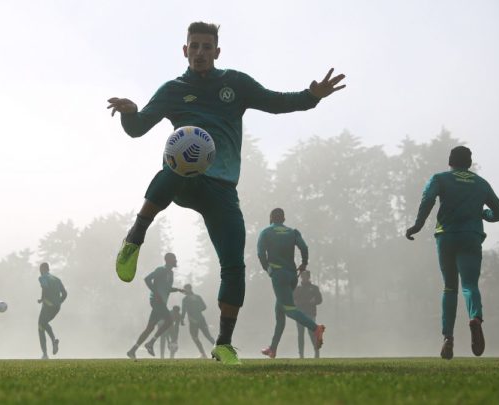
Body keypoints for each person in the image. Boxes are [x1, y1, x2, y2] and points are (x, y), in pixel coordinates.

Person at [108, 21, 345, 365]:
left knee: (234, 264)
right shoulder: (172, 90)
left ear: (217, 52)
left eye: (207, 47)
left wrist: (312, 97)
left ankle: (223, 344)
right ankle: (135, 237)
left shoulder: (235, 83)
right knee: (173, 167)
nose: (201, 52)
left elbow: (276, 102)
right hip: (187, 179)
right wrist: (129, 115)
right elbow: (139, 127)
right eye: (195, 46)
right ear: (184, 50)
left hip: (222, 189)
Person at [406, 146, 499, 360]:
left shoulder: (440, 178)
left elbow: (428, 199)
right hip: (471, 236)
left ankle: (448, 339)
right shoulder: (481, 183)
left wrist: (417, 225)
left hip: (446, 236)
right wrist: (484, 214)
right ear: (469, 163)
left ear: (450, 161)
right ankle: (476, 319)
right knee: (470, 284)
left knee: (450, 287)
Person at [257, 208, 325, 359]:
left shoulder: (266, 232)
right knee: (280, 310)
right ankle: (272, 349)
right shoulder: (293, 232)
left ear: (271, 218)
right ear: (284, 218)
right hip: (292, 276)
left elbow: (260, 253)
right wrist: (304, 264)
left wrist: (267, 268)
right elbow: (304, 247)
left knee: (288, 309)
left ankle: (316, 328)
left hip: (278, 275)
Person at [127, 253, 184, 360]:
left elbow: (167, 288)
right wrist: (156, 293)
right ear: (168, 260)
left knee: (149, 328)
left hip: (161, 302)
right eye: (174, 259)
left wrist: (178, 290)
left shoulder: (170, 273)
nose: (176, 260)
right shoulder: (161, 270)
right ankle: (151, 343)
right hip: (156, 301)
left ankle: (132, 351)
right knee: (169, 320)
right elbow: (147, 279)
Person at [37, 262, 67, 359]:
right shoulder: (57, 279)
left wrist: (42, 298)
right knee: (43, 324)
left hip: (48, 305)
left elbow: (45, 288)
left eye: (40, 269)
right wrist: (58, 302)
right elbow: (65, 293)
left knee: (40, 325)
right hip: (57, 307)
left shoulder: (42, 278)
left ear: (42, 269)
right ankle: (53, 342)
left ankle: (45, 354)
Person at [293, 271, 322, 358]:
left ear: (309, 277)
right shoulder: (297, 288)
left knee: (312, 333)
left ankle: (316, 352)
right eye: (302, 276)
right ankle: (301, 354)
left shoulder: (314, 288)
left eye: (305, 276)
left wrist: (314, 301)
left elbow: (320, 300)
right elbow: (293, 299)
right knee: (300, 334)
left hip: (310, 313)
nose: (303, 278)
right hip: (300, 314)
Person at [181, 284, 215, 358]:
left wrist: (182, 319)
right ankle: (206, 354)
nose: (185, 290)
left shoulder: (185, 299)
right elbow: (204, 307)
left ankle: (203, 354)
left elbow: (184, 310)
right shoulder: (198, 297)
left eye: (185, 289)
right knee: (208, 336)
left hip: (193, 321)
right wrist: (197, 310)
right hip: (201, 319)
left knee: (195, 337)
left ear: (188, 289)